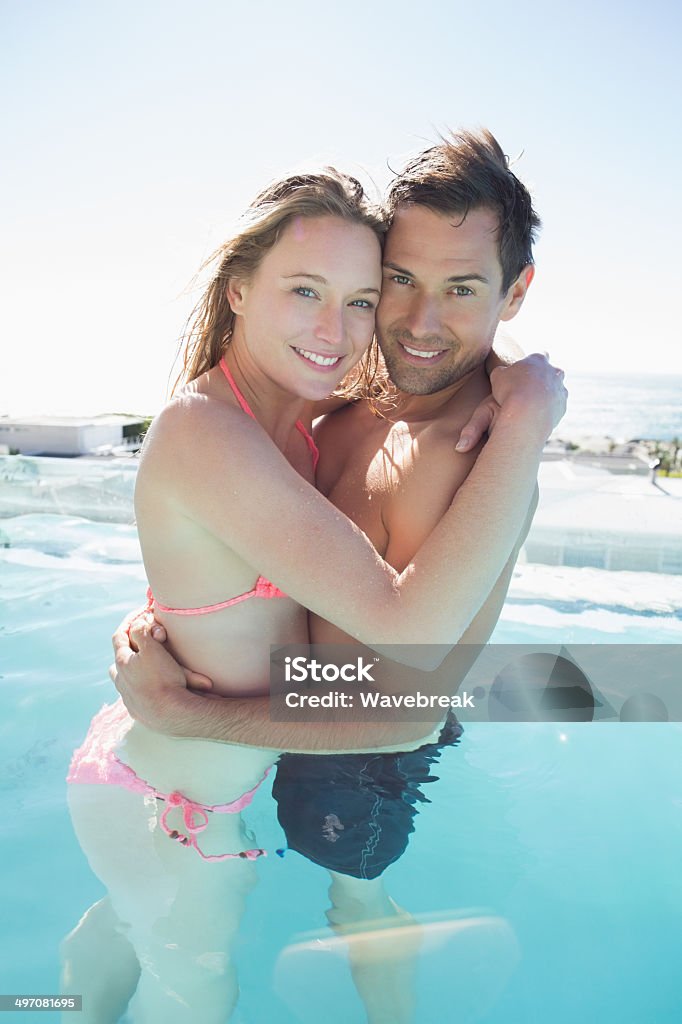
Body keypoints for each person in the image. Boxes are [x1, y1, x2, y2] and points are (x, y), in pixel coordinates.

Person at [105, 131, 566, 1022]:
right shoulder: (360, 395)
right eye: (399, 281)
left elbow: (405, 707)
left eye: (463, 289)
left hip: (361, 760)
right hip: (315, 713)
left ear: (516, 294)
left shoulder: (470, 449)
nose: (419, 321)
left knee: (354, 908)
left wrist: (190, 709)